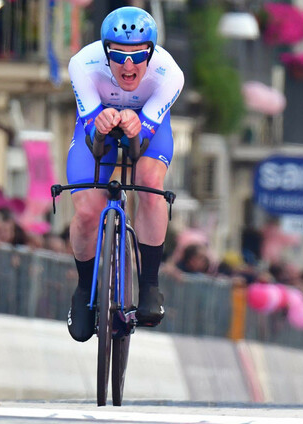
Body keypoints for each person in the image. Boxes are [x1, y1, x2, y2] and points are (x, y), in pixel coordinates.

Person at [65, 6, 184, 342]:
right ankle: (83, 289)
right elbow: (93, 137)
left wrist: (139, 126)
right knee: (87, 211)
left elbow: (143, 138)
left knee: (149, 182)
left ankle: (149, 286)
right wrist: (99, 125)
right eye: (118, 55)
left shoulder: (169, 73)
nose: (128, 66)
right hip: (98, 123)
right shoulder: (83, 64)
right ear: (105, 52)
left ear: (152, 53)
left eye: (138, 56)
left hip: (148, 123)